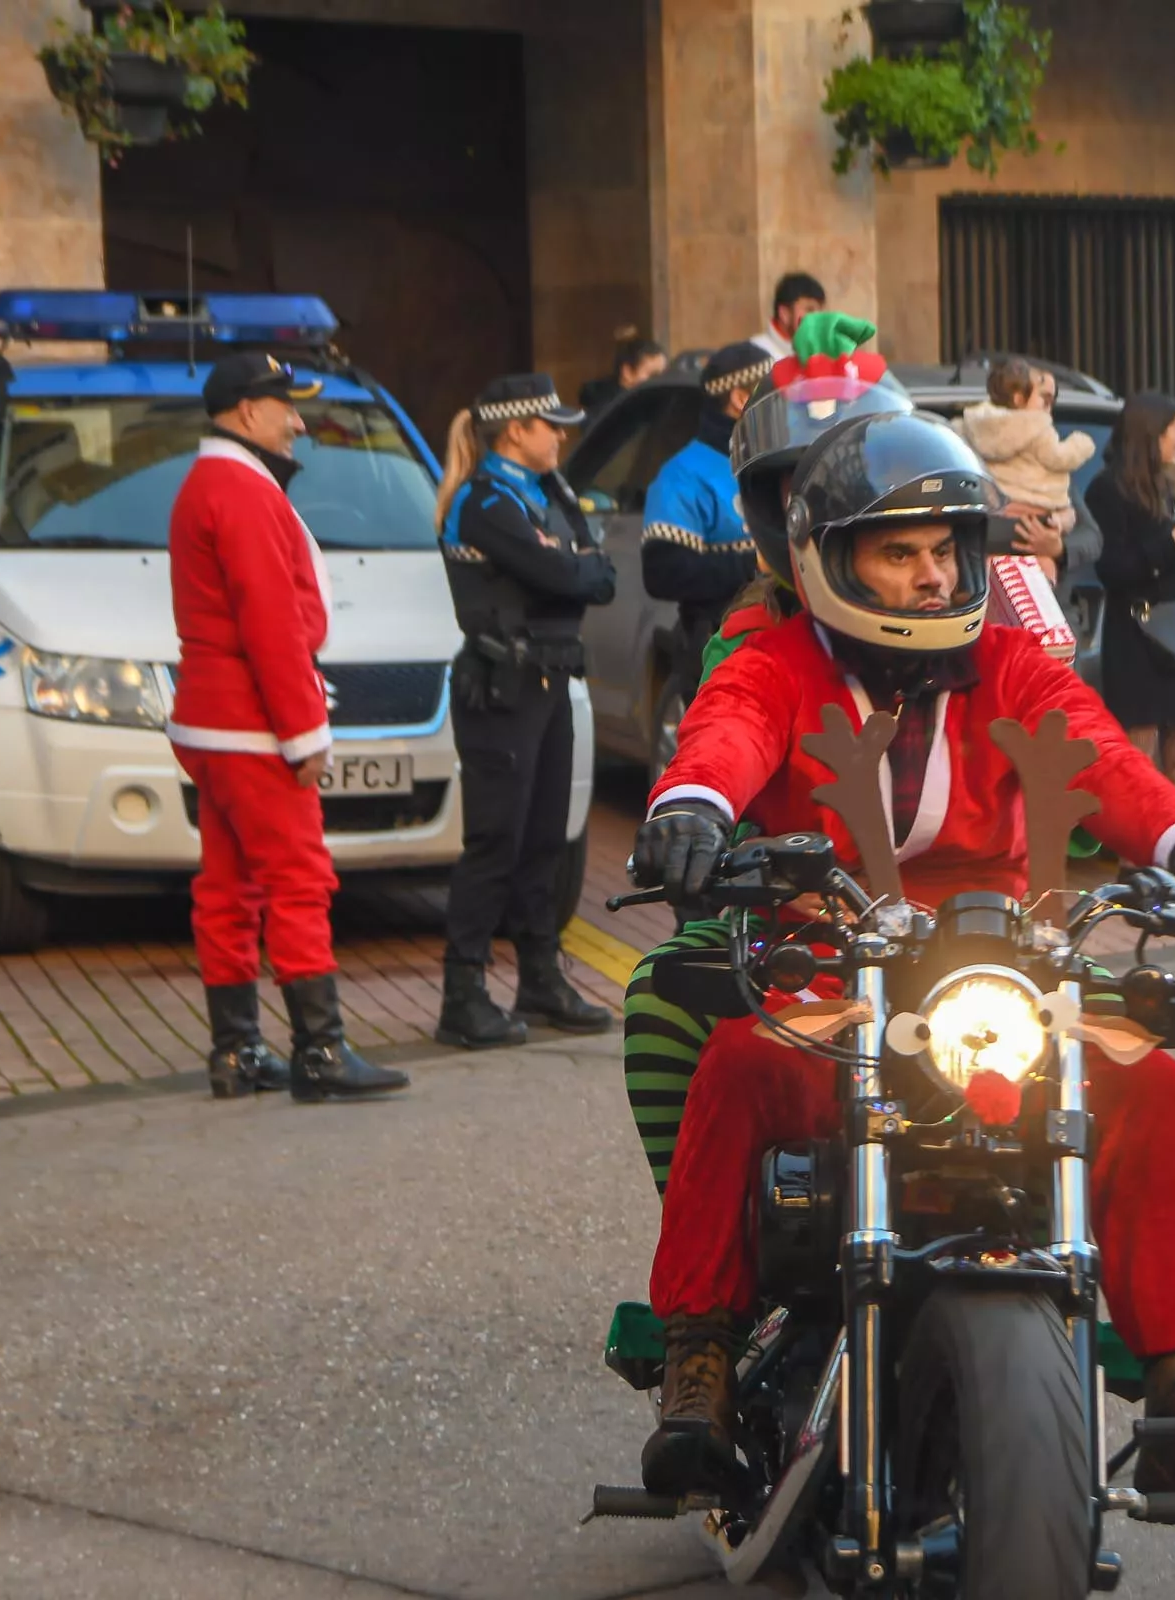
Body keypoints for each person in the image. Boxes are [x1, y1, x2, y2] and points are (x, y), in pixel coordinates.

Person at [626, 411, 1175, 1513]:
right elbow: (725, 735)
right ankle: (699, 1358)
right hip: (836, 964)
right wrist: (691, 809)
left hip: (1000, 968)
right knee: (741, 1065)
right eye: (901, 552)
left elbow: (1106, 758)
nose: (934, 577)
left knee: (1160, 1091)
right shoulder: (776, 663)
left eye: (947, 550)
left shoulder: (1011, 663)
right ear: (831, 560)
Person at [622, 336, 915, 1191]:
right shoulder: (753, 642)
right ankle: (710, 1248)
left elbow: (1071, 727)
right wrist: (699, 813)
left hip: (971, 920)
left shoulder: (980, 599)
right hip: (814, 919)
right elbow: (725, 739)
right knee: (663, 995)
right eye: (807, 492)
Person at [166, 352, 407, 1102]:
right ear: (246, 412)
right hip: (253, 726)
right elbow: (270, 623)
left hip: (212, 722)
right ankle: (320, 1049)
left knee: (229, 886)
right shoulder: (240, 490)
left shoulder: (208, 484)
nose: (298, 420)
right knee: (299, 880)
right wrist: (304, 733)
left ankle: (236, 1052)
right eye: (285, 406)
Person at [432, 374, 619, 1050]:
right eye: (551, 426)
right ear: (515, 431)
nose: (561, 436)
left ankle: (539, 978)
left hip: (547, 681)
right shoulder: (487, 500)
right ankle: (463, 993)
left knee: (547, 838)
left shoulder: (545, 493)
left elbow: (598, 578)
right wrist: (574, 561)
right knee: (495, 843)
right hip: (502, 687)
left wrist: (576, 560)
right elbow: (567, 577)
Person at [1086, 391, 1175, 803]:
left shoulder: (1165, 487)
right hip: (1139, 641)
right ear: (1150, 437)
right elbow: (1113, 569)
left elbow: (1174, 560)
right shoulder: (1106, 492)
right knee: (1136, 760)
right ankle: (1139, 861)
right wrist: (1173, 541)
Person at [641, 342, 772, 682]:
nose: (783, 403)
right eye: (772, 391)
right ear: (741, 398)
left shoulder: (774, 463)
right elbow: (663, 572)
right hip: (720, 648)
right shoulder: (683, 474)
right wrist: (755, 563)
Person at [953, 357, 1095, 540]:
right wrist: (1082, 443)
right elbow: (1060, 458)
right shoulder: (1038, 429)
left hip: (990, 530)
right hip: (1035, 524)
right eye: (1044, 399)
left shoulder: (970, 428)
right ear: (1019, 398)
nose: (1048, 410)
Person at [574, 330, 668, 428]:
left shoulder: (660, 404)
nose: (661, 381)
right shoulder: (607, 413)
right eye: (653, 375)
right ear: (628, 372)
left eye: (664, 375)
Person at [748, 271, 825, 364]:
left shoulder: (818, 356)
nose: (817, 318)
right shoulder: (755, 356)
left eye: (819, 311)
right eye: (809, 310)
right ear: (785, 314)